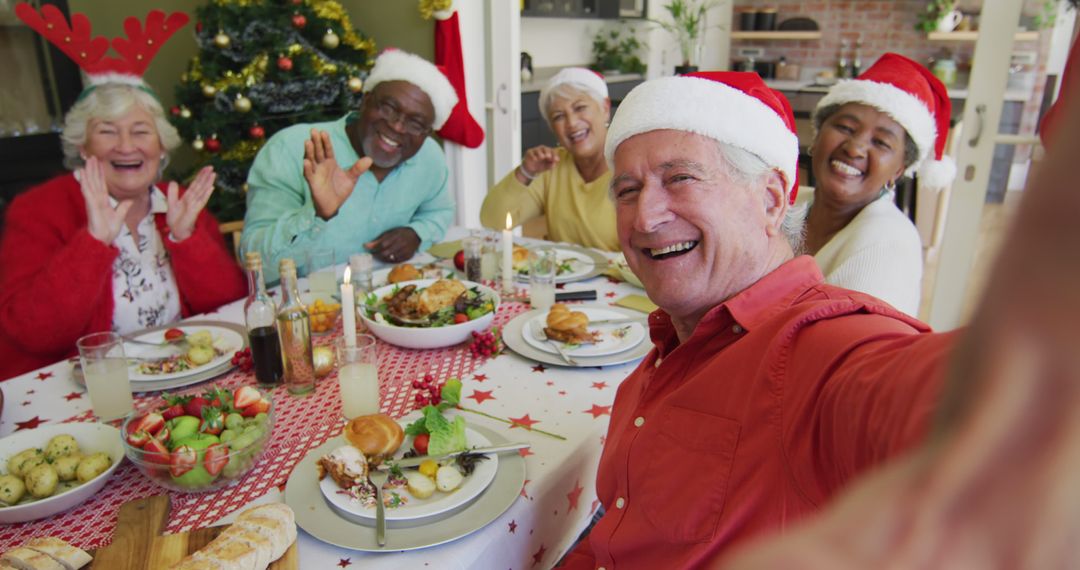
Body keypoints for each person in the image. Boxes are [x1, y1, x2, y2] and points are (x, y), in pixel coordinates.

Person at [557, 70, 975, 569]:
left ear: (772, 200)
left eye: (681, 178)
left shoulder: (823, 348)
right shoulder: (673, 338)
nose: (645, 217)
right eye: (627, 190)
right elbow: (618, 533)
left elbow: (976, 411)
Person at [0, 82, 246, 380]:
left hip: (182, 374)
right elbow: (32, 331)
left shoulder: (176, 200)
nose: (127, 146)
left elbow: (229, 305)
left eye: (141, 131)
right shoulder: (39, 209)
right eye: (107, 131)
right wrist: (93, 242)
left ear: (161, 146)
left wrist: (186, 238)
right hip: (89, 390)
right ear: (83, 146)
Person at [242, 50, 458, 282]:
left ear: (426, 134)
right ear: (365, 100)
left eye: (416, 123)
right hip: (310, 306)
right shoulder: (290, 149)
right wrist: (316, 214)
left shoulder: (430, 158)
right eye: (388, 108)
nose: (397, 127)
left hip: (391, 305)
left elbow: (440, 212)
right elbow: (255, 265)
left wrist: (417, 233)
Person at [800, 53, 955, 317]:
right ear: (816, 137)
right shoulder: (787, 207)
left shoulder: (887, 245)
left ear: (898, 170)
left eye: (881, 142)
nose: (856, 148)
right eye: (846, 128)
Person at [480, 68, 619, 251]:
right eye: (559, 117)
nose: (571, 123)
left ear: (605, 108)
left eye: (580, 108)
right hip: (561, 276)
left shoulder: (629, 166)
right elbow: (493, 220)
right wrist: (525, 173)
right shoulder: (551, 167)